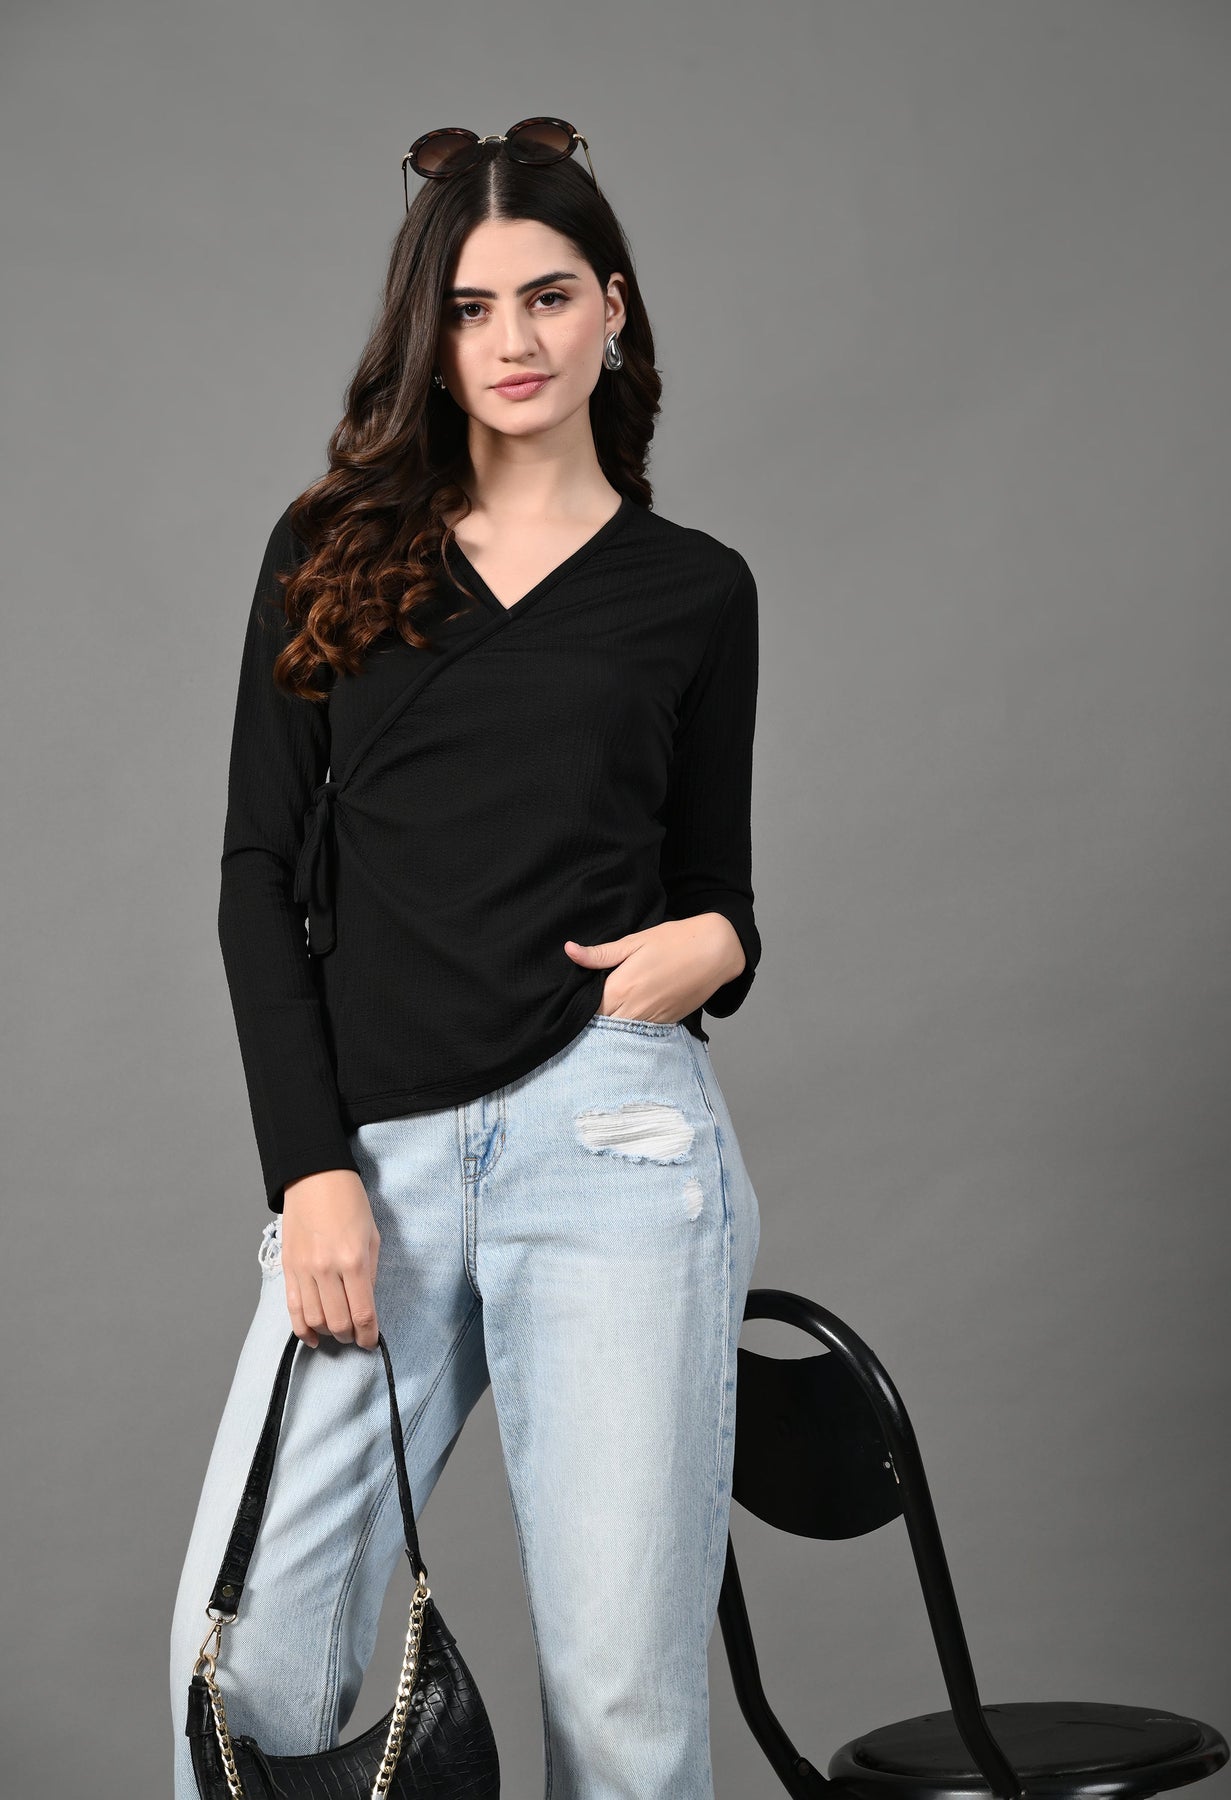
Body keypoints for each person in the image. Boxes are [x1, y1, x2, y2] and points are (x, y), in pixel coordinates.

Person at [169, 117, 763, 1800]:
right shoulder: (330, 550)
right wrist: (310, 1173)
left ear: (613, 310)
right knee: (244, 1675)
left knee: (624, 1711)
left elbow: (716, 885)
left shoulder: (695, 592)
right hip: (379, 1165)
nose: (512, 341)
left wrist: (720, 941)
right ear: (428, 334)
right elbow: (255, 877)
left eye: (549, 297)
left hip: (615, 1139)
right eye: (471, 307)